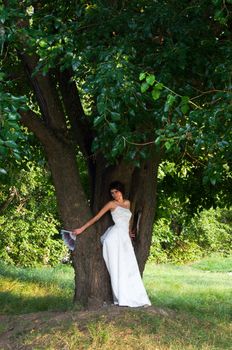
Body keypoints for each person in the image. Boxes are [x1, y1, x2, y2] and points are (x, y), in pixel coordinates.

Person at [72, 181, 151, 308]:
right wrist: (81, 229)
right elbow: (96, 218)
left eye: (116, 191)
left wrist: (129, 232)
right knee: (117, 267)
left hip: (124, 237)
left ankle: (136, 297)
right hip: (114, 238)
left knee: (130, 266)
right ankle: (122, 298)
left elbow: (127, 220)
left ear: (121, 191)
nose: (114, 194)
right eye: (112, 193)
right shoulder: (111, 204)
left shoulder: (128, 203)